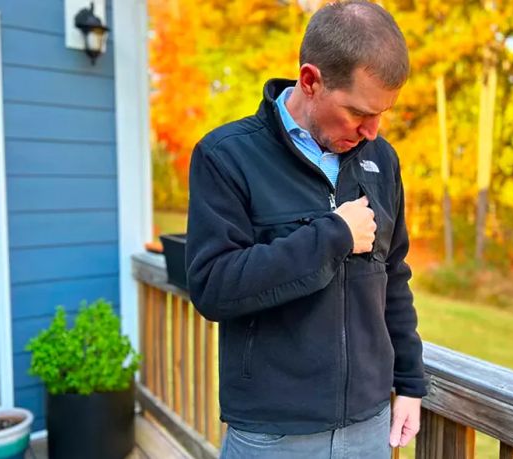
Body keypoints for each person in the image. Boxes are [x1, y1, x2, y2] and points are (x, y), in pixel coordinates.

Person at [186, 1, 427, 457]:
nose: (372, 130)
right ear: (311, 81)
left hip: (369, 427)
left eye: (383, 113)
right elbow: (212, 287)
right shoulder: (227, 157)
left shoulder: (382, 161)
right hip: (273, 434)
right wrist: (332, 236)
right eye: (358, 112)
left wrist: (411, 384)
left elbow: (394, 277)